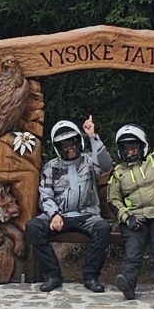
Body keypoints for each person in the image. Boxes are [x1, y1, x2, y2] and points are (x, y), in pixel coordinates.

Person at [26, 116, 114, 293]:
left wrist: (92, 136)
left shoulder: (89, 162)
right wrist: (54, 214)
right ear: (58, 148)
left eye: (72, 143)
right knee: (33, 227)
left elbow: (106, 165)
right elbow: (45, 194)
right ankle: (52, 275)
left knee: (103, 228)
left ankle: (90, 276)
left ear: (78, 141)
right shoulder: (51, 167)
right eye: (65, 145)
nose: (70, 148)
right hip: (59, 217)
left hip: (85, 215)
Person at [107, 104, 154, 301]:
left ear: (142, 146)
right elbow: (113, 200)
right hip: (135, 217)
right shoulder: (118, 172)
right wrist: (127, 217)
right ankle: (127, 282)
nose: (130, 152)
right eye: (126, 148)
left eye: (134, 147)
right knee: (133, 247)